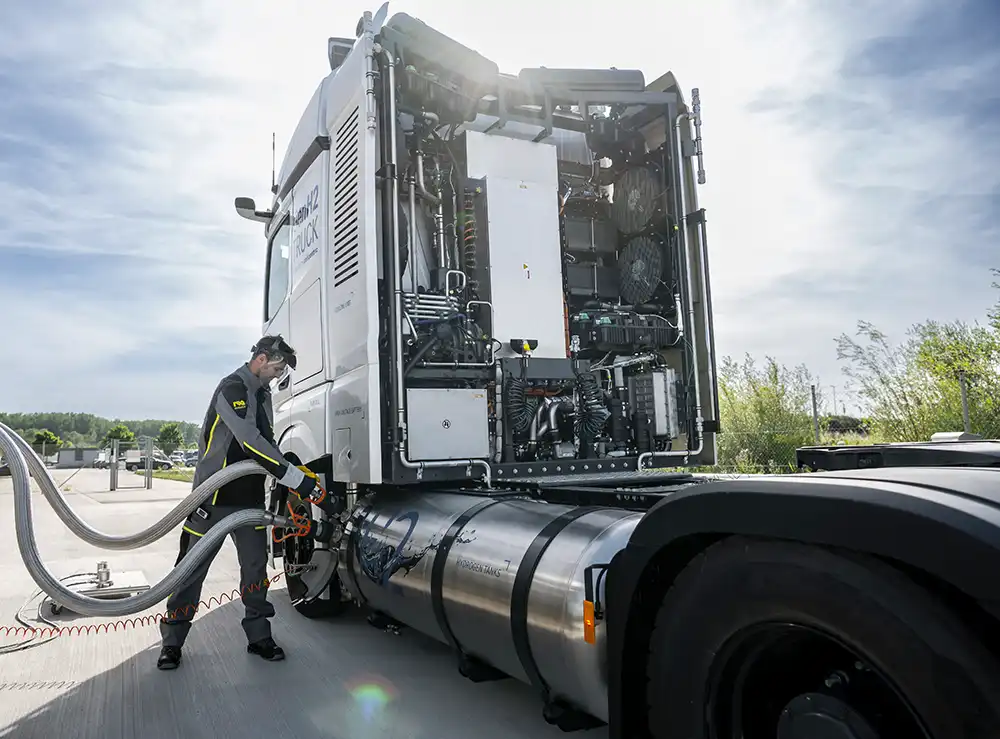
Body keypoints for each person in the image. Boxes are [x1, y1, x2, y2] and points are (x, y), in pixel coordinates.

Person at [157, 335, 319, 670]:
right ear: (260, 359)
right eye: (276, 367)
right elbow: (250, 441)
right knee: (190, 572)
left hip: (249, 501)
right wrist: (295, 479)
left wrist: (289, 469)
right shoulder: (231, 388)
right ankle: (172, 642)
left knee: (255, 572)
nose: (277, 375)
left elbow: (268, 441)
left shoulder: (263, 394)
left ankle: (259, 637)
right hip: (212, 499)